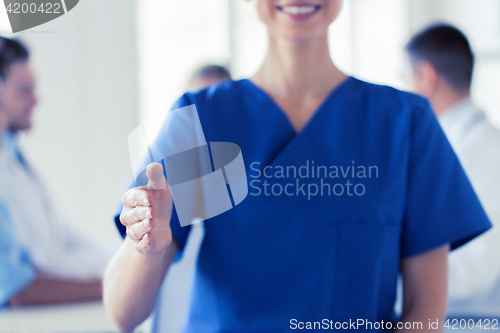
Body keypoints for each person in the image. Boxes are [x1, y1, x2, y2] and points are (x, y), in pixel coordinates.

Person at [104, 2, 491, 332]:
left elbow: (426, 309)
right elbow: (124, 314)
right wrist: (146, 247)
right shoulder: (203, 119)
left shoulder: (405, 124)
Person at [0, 36, 115, 306]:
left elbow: (62, 244)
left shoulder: (13, 157)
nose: (35, 100)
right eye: (23, 90)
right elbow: (15, 287)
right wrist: (116, 286)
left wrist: (126, 262)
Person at [406, 24, 500, 319]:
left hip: (475, 320)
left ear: (425, 77)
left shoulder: (483, 150)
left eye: (404, 78)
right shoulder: (459, 145)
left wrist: (390, 274)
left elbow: (478, 268)